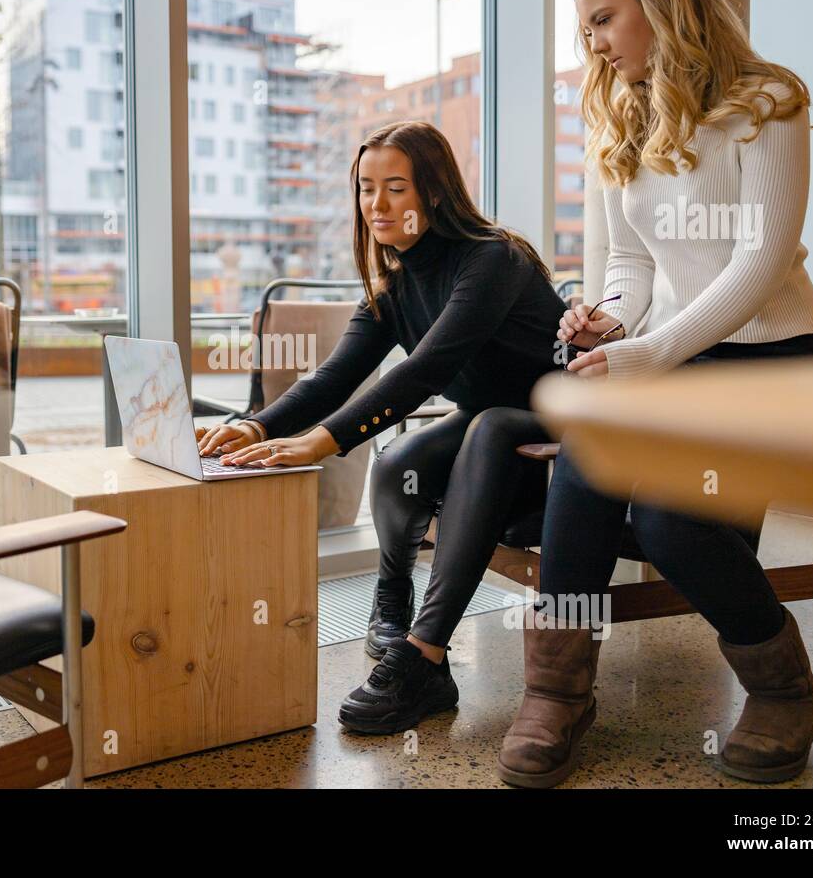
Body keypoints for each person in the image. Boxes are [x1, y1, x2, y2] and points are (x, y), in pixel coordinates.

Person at [497, 0, 813, 788]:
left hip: (768, 354)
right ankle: (558, 691)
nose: (596, 45)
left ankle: (783, 688)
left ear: (662, 3)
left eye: (605, 20)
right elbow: (630, 266)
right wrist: (604, 320)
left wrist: (651, 351)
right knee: (587, 460)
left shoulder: (769, 103)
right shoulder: (618, 109)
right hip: (670, 353)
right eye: (587, 31)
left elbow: (758, 265)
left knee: (673, 522)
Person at [196, 119, 567, 734]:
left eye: (396, 187)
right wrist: (255, 426)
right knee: (400, 462)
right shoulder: (392, 288)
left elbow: (425, 371)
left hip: (559, 441)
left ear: (436, 193)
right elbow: (333, 377)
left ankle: (426, 656)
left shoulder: (494, 259)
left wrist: (322, 441)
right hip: (489, 434)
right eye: (367, 188)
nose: (377, 204)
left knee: (492, 424)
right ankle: (391, 603)